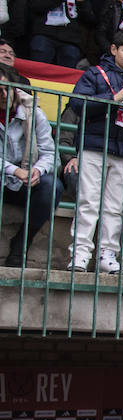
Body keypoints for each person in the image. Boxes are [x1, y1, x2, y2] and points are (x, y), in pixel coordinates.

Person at [65, 29, 123, 274]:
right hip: (94, 146)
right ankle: (80, 254)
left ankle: (108, 254)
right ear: (114, 49)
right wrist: (115, 97)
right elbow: (78, 104)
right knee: (88, 202)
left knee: (116, 207)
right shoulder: (94, 74)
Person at [1, 67, 62, 269]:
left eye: (5, 89)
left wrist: (38, 170)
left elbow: (49, 153)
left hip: (27, 178)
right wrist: (14, 171)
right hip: (5, 177)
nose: (2, 95)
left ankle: (22, 243)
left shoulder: (34, 112)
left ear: (15, 88)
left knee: (52, 186)